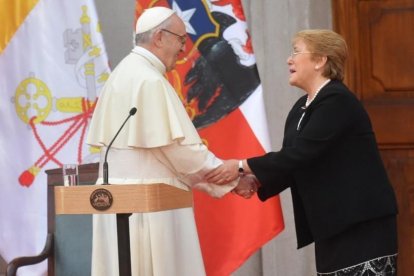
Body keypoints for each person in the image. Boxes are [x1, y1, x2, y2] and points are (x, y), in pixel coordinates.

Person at [206, 29, 398, 275]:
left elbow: (302, 154)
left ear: (320, 60)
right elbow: (294, 161)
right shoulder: (301, 107)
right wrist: (253, 180)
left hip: (361, 225)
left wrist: (241, 166)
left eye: (296, 51)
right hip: (332, 224)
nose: (289, 59)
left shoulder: (337, 101)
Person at [86, 7, 248, 276]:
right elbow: (180, 150)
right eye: (181, 39)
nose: (184, 49)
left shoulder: (124, 73)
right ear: (159, 37)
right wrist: (233, 177)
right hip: (145, 211)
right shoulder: (149, 81)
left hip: (119, 204)